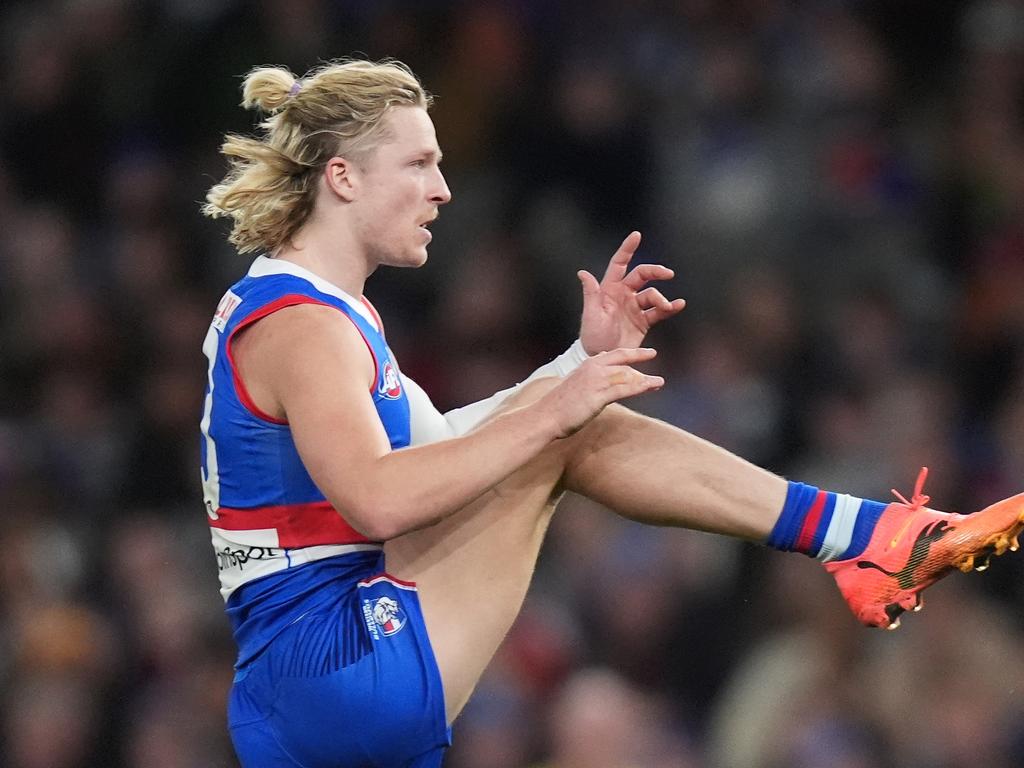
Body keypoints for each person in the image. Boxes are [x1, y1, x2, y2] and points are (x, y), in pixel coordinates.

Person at [199, 59, 1024, 768]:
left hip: (307, 685)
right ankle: (871, 542)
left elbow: (449, 446)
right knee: (576, 432)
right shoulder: (302, 324)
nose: (443, 189)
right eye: (418, 164)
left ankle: (870, 542)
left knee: (568, 424)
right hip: (335, 663)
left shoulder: (317, 311)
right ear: (343, 177)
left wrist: (575, 365)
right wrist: (567, 403)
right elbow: (378, 497)